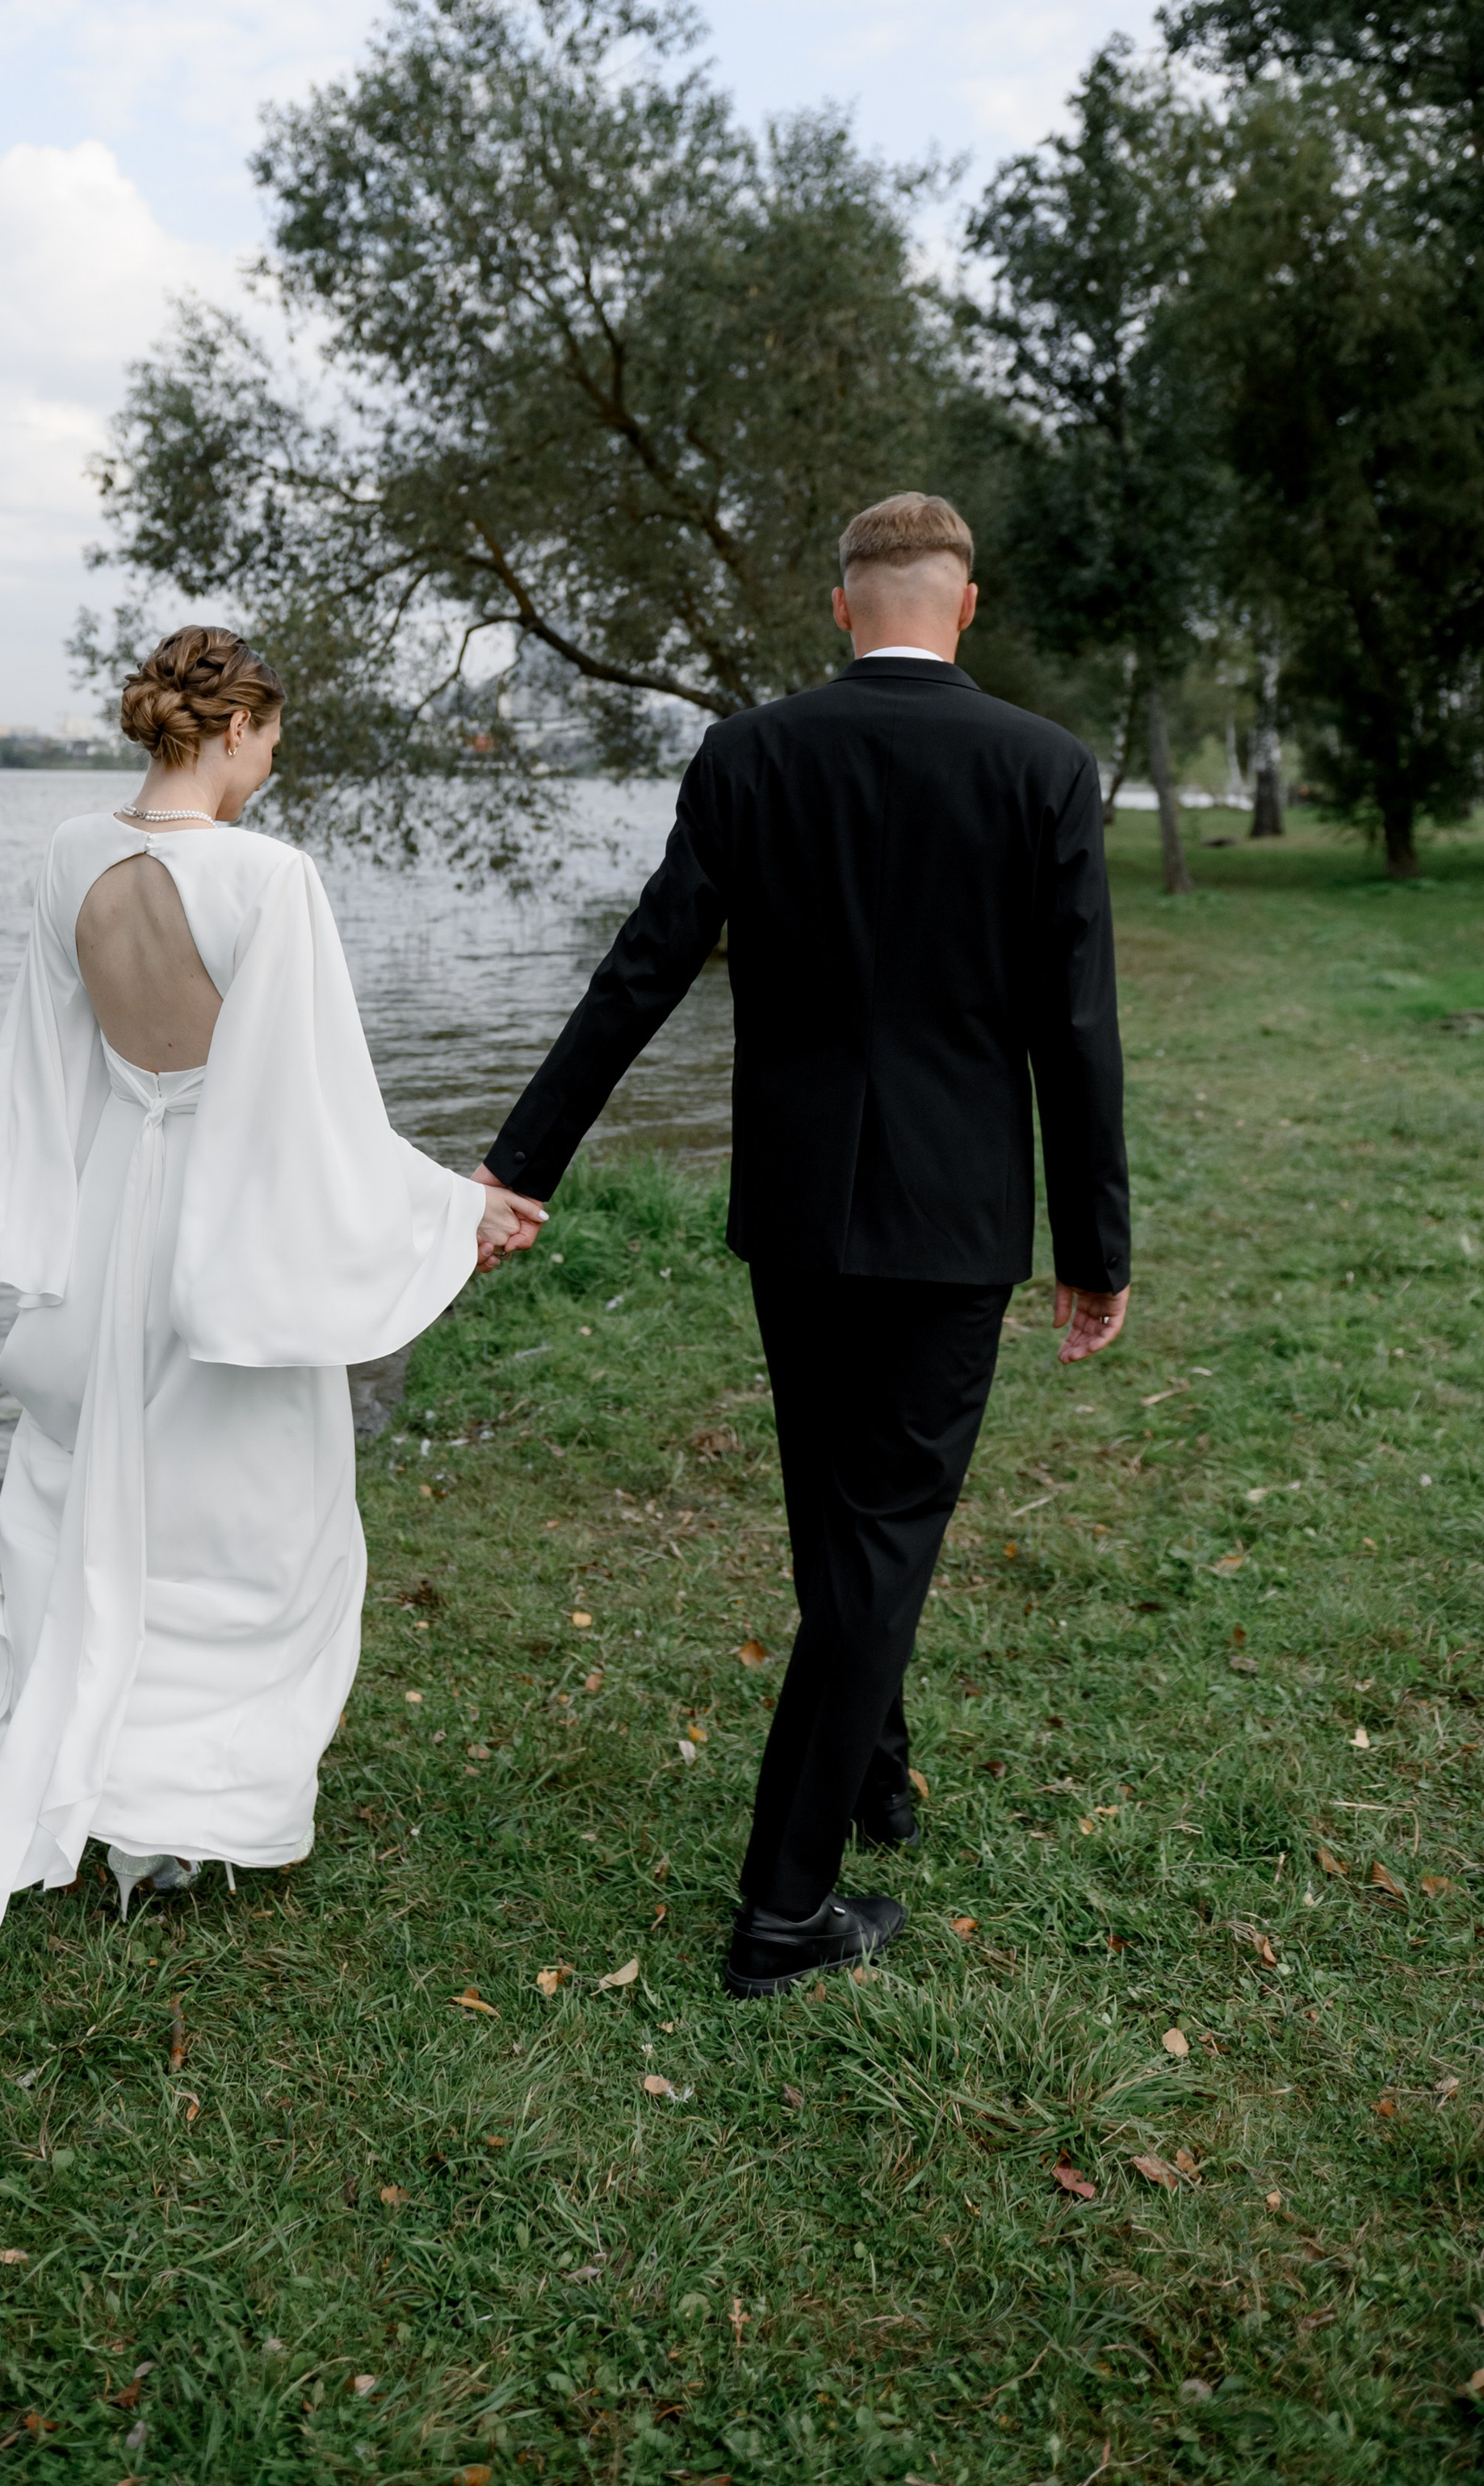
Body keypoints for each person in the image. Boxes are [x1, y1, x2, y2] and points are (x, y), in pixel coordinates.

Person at [476, 494, 1131, 1999]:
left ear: (845, 606)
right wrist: (1095, 1243)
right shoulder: (1045, 768)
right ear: (966, 607)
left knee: (840, 1523)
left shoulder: (753, 752)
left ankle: (875, 1775)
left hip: (796, 1211)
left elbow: (642, 968)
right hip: (955, 1217)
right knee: (881, 1535)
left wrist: (522, 1161)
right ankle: (784, 1912)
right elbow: (1077, 1029)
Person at [0, 625, 541, 1970]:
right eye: (271, 736)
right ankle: (179, 1815)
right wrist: (456, 1210)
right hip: (221, 1234)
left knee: (103, 1501)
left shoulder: (67, 854)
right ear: (233, 728)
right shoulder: (270, 879)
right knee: (248, 1524)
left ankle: (118, 1803)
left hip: (111, 1227)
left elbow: (50, 1067)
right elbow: (313, 1111)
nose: (273, 761)